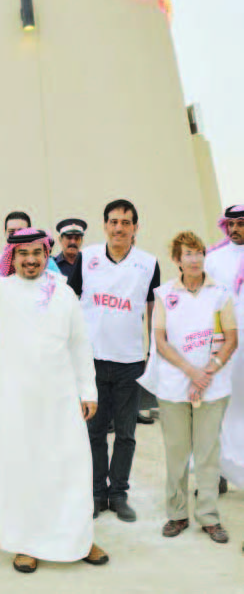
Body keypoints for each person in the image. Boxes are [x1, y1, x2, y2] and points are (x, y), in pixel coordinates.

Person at [0, 212, 108, 573]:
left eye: (37, 253)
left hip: (61, 401)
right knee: (23, 471)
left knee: (70, 469)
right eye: (23, 253)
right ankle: (25, 543)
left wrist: (87, 390)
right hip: (16, 403)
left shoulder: (63, 292)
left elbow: (79, 344)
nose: (30, 260)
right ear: (11, 257)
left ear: (47, 255)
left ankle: (77, 538)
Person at [140, 231, 237, 543]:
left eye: (198, 252)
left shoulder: (221, 293)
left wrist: (209, 371)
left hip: (214, 384)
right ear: (177, 259)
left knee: (208, 453)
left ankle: (208, 516)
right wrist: (191, 372)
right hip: (173, 386)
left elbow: (231, 339)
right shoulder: (164, 293)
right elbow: (160, 341)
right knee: (177, 453)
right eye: (188, 253)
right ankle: (177, 514)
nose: (194, 259)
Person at [69, 199, 160, 522]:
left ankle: (118, 493)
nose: (119, 227)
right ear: (105, 224)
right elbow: (70, 302)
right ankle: (96, 492)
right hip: (91, 361)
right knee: (93, 433)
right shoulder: (87, 257)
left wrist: (153, 352)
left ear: (135, 226)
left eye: (126, 222)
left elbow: (153, 311)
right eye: (113, 221)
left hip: (129, 362)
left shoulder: (148, 264)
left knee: (125, 433)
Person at [0, 211, 62, 473]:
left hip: (34, 349)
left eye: (20, 230)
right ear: (5, 233)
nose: (15, 235)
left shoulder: (47, 265)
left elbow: (58, 305)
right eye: (11, 231)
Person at [206, 204, 244, 489]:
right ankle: (217, 472)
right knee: (218, 405)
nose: (234, 230)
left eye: (240, 224)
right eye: (230, 224)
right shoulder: (214, 258)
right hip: (222, 346)